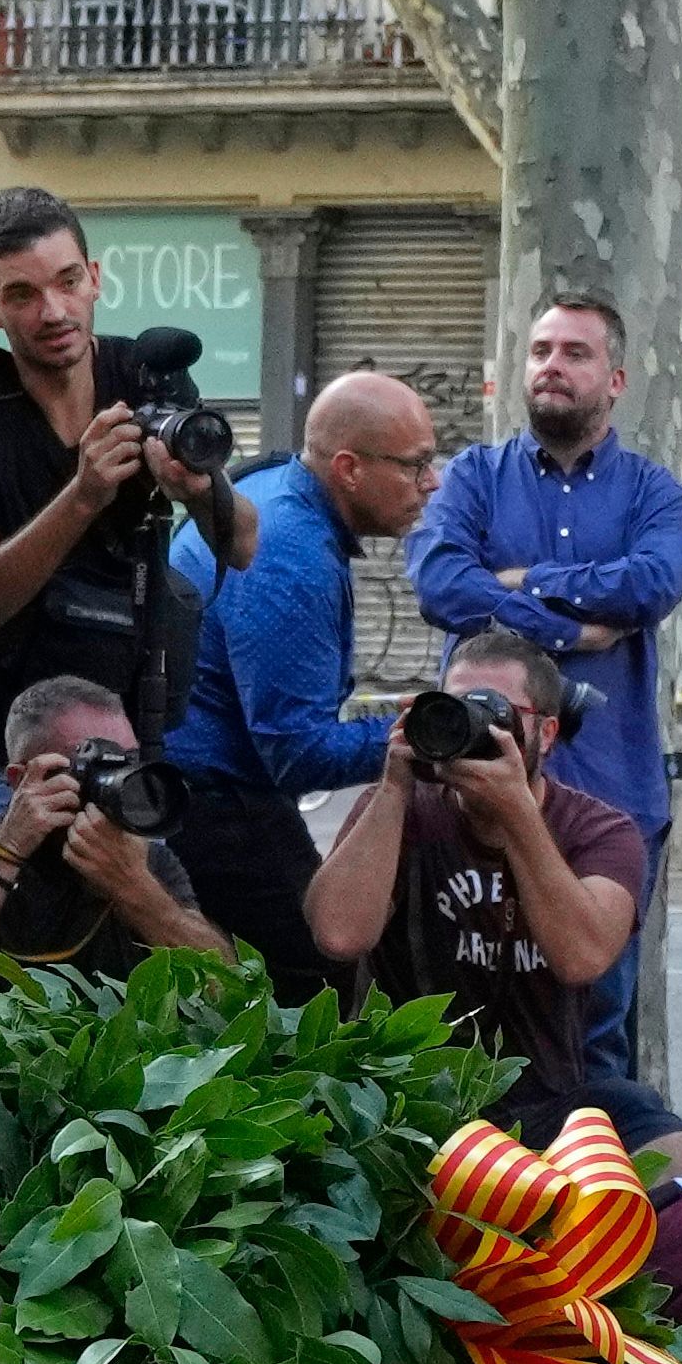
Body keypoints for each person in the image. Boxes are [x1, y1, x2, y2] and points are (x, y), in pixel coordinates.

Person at [304, 630, 682, 1226]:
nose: (471, 727)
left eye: (494, 713)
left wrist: (516, 808)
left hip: (554, 1099)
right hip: (409, 1097)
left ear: (544, 732)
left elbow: (583, 955)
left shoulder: (598, 830)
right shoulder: (399, 811)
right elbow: (338, 934)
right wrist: (394, 786)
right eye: (454, 706)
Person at [417, 296, 682, 1080]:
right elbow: (439, 581)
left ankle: (597, 1195)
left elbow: (651, 583)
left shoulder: (653, 493)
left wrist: (519, 580)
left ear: (615, 379)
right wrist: (569, 631)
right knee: (455, 1018)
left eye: (574, 353)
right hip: (471, 790)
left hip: (610, 793)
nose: (551, 366)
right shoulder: (474, 476)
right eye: (540, 350)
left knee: (597, 1034)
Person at [0, 195, 253, 806]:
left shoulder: (143, 371)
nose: (53, 311)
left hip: (129, 742)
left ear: (96, 278)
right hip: (1, 762)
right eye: (22, 295)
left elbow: (241, 545)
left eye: (68, 281)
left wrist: (198, 488)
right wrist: (82, 496)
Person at [161, 370, 452, 993]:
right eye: (415, 465)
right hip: (210, 798)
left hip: (199, 784)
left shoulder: (277, 489)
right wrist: (422, 732)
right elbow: (296, 753)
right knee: (326, 975)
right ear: (348, 468)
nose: (432, 483)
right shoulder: (293, 554)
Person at [0, 674, 236, 996]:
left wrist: (135, 888)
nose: (120, 782)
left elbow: (227, 992)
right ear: (19, 780)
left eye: (128, 763)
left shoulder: (144, 861)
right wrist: (7, 851)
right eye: (95, 765)